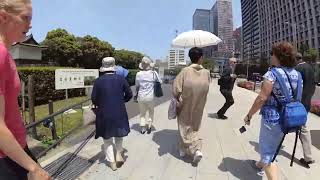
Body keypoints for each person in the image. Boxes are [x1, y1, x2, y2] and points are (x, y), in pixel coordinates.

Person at [0, 0, 51, 179]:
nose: (30, 24)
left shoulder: (6, 53)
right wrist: (33, 168)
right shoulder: (1, 54)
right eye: (25, 18)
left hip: (17, 147)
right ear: (3, 17)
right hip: (7, 157)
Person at [243, 42, 302, 180]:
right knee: (272, 147)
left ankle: (267, 166)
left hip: (272, 118)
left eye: (272, 54)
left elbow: (262, 97)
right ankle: (259, 164)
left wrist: (249, 115)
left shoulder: (272, 74)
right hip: (289, 119)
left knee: (268, 154)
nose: (271, 56)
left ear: (278, 56)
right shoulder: (297, 75)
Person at [92, 57, 133, 171]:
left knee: (107, 139)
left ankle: (112, 162)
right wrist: (121, 101)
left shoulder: (98, 81)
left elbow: (94, 99)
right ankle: (119, 154)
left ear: (103, 67)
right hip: (119, 111)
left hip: (104, 113)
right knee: (119, 135)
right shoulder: (121, 79)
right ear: (114, 66)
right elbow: (129, 94)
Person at [173, 47, 210, 165]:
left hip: (185, 104)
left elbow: (176, 89)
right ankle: (186, 148)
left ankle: (195, 149)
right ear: (201, 58)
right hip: (199, 104)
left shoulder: (185, 71)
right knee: (194, 127)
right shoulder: (207, 72)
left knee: (183, 127)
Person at [295, 52, 316, 168]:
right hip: (307, 102)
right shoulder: (310, 67)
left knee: (301, 128)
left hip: (298, 103)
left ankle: (308, 157)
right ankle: (308, 156)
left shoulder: (298, 69)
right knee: (302, 127)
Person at [135, 56, 161, 134]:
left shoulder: (138, 74)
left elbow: (137, 85)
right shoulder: (153, 73)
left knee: (142, 113)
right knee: (151, 112)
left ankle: (143, 129)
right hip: (150, 97)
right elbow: (160, 81)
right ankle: (149, 126)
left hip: (141, 96)